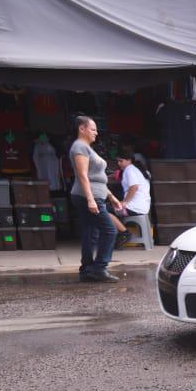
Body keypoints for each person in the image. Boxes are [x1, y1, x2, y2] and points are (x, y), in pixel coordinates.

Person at [69, 115, 122, 282]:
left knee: (90, 234)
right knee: (110, 230)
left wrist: (111, 196)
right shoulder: (79, 147)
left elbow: (96, 177)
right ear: (82, 129)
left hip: (93, 195)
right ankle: (99, 267)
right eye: (93, 129)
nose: (96, 133)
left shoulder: (87, 148)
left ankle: (86, 270)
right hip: (87, 196)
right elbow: (83, 176)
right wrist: (91, 199)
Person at [113, 148, 150, 249]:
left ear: (129, 160)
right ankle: (120, 233)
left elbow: (134, 187)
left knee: (103, 210)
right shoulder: (138, 169)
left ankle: (124, 233)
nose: (119, 163)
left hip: (133, 207)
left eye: (121, 161)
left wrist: (125, 202)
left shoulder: (129, 169)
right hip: (142, 206)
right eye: (117, 161)